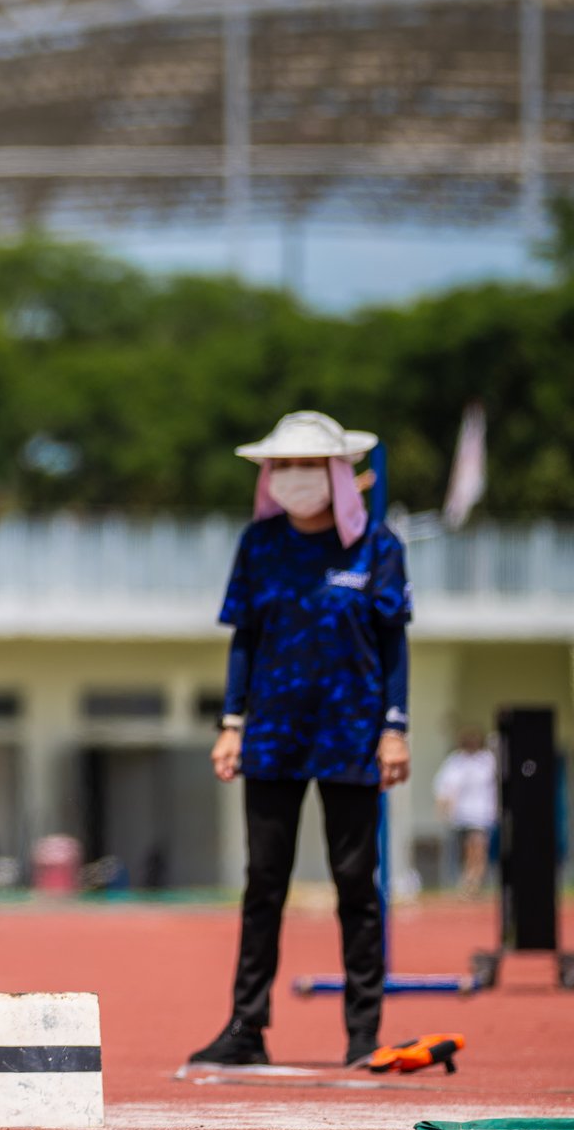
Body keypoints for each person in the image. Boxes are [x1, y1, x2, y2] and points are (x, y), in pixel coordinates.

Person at [190, 410, 411, 1070]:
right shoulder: (258, 545)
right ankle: (245, 1028)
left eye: (307, 466)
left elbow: (393, 642)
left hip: (352, 734)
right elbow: (244, 639)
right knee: (264, 881)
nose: (293, 479)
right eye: (280, 466)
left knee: (354, 882)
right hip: (272, 734)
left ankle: (363, 1033)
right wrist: (231, 724)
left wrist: (394, 728)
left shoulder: (378, 547)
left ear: (340, 473)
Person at [432, 726, 497, 897]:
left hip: (482, 813)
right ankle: (468, 879)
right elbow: (445, 785)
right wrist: (442, 807)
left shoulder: (487, 760)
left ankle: (473, 880)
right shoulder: (456, 761)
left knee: (478, 846)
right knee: (467, 849)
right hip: (461, 815)